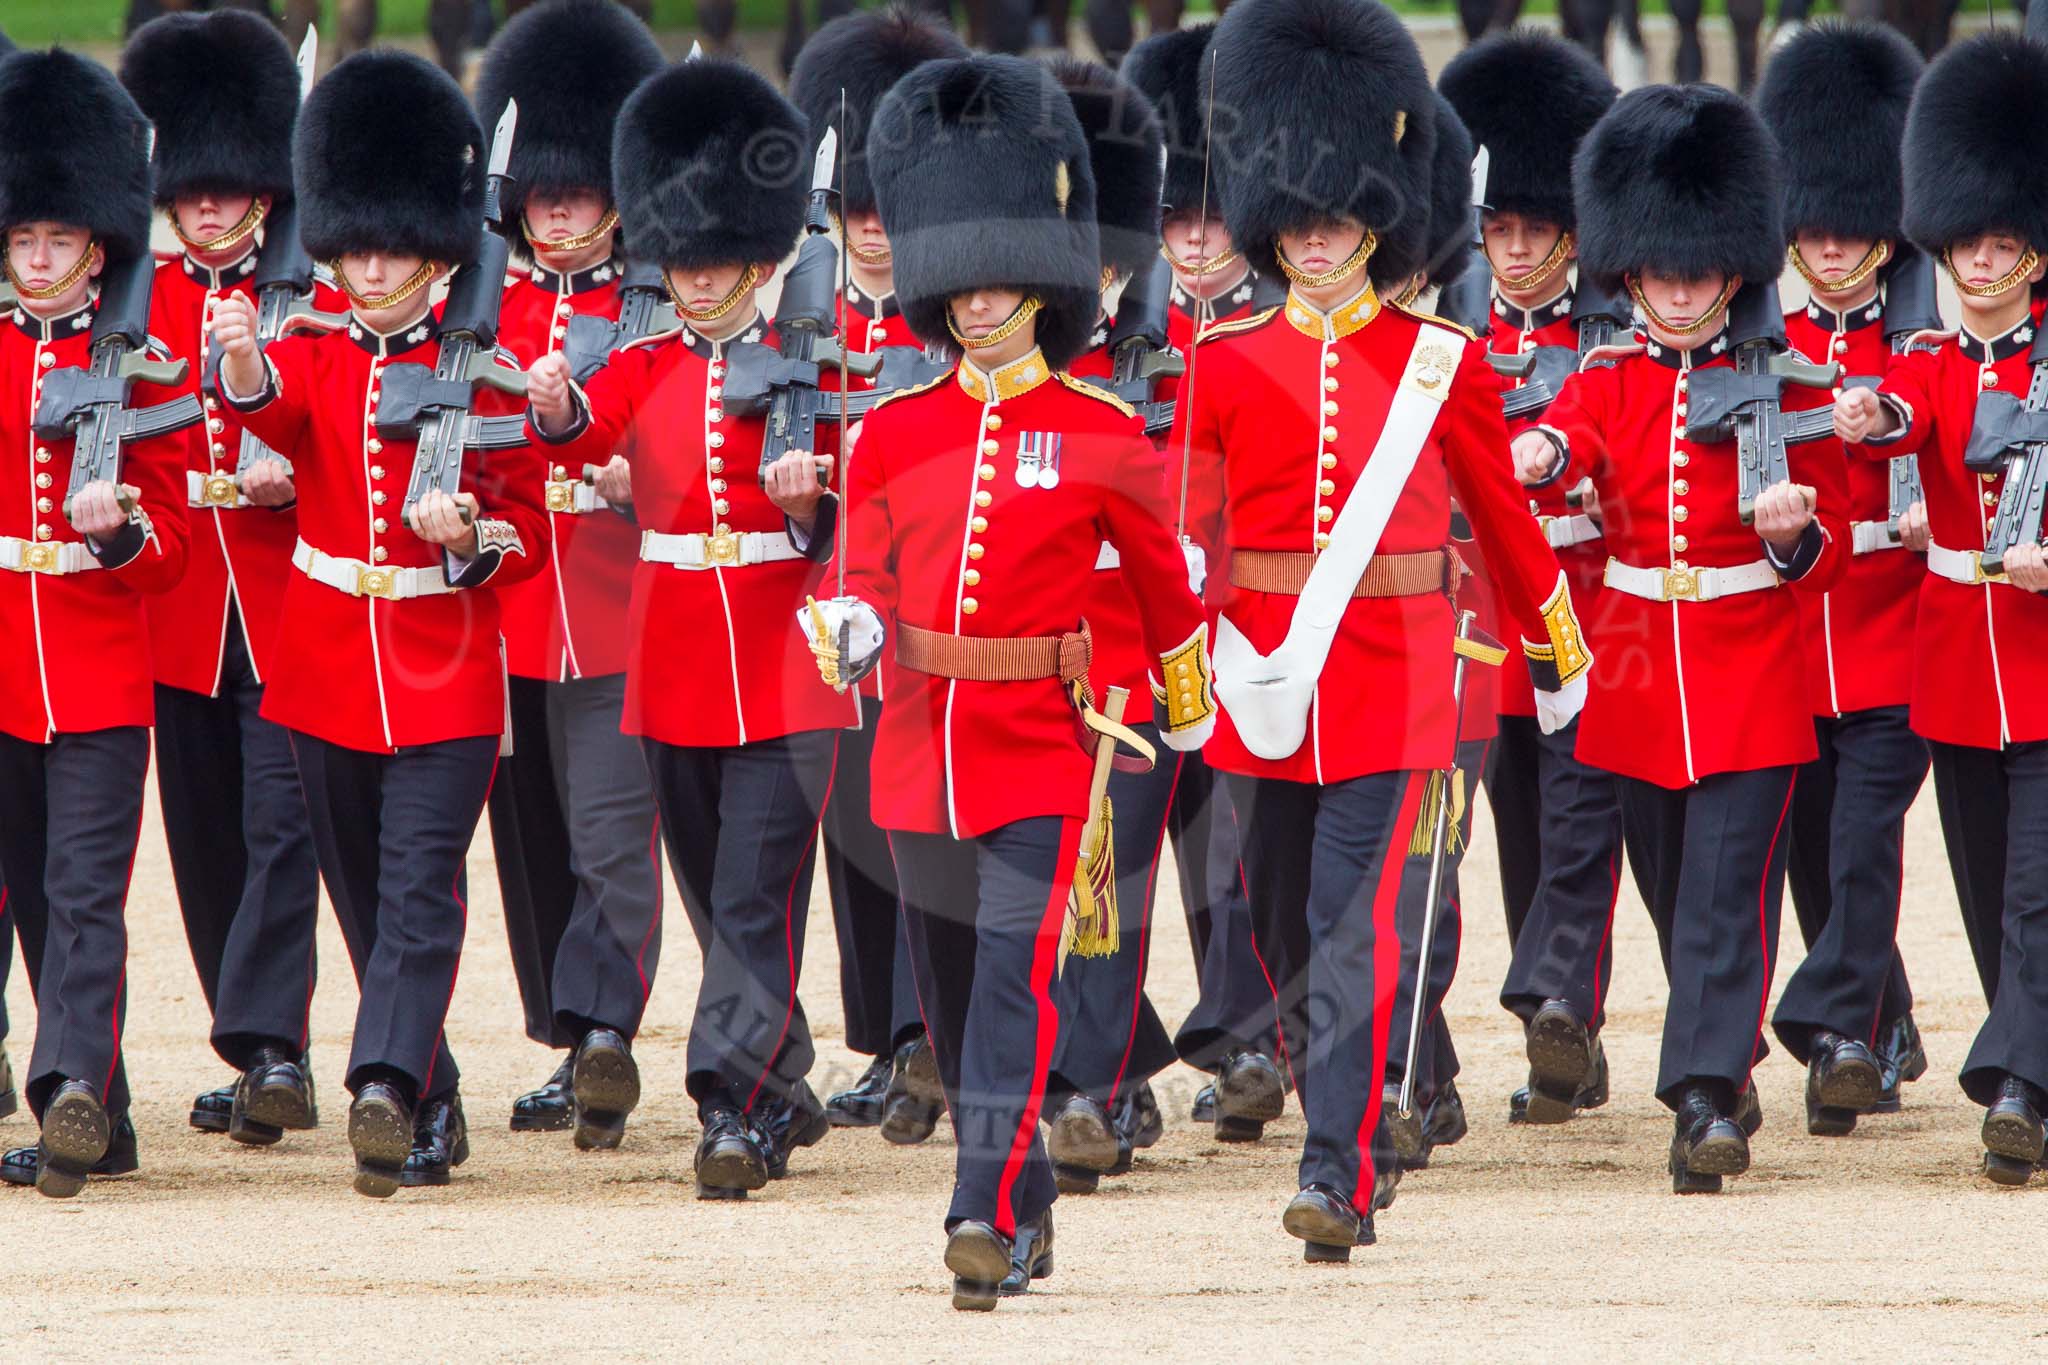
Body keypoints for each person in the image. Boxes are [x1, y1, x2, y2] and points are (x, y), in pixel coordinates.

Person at [804, 51, 1213, 1308]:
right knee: (947, 989)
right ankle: (1023, 1204)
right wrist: (848, 627)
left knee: (1012, 982)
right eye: (959, 285)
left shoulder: (1101, 432)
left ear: (1040, 285)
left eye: (999, 283)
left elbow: (1159, 589)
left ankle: (979, 1200)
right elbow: (852, 569)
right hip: (919, 742)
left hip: (1047, 740)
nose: (977, 305)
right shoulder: (893, 425)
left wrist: (1172, 707)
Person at [1184, 0, 1589, 1259]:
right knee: (1274, 919)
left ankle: (1336, 1169)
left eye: (1338, 218)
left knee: (1347, 926)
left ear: (1378, 222)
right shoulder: (1223, 355)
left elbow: (1504, 522)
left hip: (1392, 675)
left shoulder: (1440, 359)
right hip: (1261, 673)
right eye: (1297, 219)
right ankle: (1339, 1110)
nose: (1315, 239)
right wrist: (1166, 652)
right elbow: (1185, 535)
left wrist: (1551, 645)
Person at [212, 48, 549, 1197]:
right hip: (323, 669)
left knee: (416, 890)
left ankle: (383, 1084)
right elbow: (272, 405)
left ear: (433, 250)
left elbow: (523, 539)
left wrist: (464, 539)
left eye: (388, 249)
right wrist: (244, 369)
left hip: (446, 673)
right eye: (352, 246)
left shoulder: (490, 376)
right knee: (361, 901)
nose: (365, 267)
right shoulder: (311, 350)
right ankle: (431, 1091)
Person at [1516, 82, 1849, 1193]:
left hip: (1749, 668)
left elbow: (1835, 546)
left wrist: (1795, 536)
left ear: (1730, 274)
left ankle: (1702, 1097)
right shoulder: (1605, 378)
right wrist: (1534, 460)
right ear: (1628, 273)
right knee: (1670, 894)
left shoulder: (1785, 384)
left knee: (1720, 895)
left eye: (1695, 274)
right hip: (1634, 677)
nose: (1675, 291)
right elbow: (1565, 442)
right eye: (1657, 274)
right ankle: (1727, 1062)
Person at [525, 56, 846, 1199]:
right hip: (672, 658)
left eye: (715, 261)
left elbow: (871, 508)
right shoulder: (648, 360)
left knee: (755, 892)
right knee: (718, 895)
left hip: (781, 662)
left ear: (758, 260)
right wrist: (556, 401)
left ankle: (730, 1103)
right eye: (683, 259)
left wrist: (818, 503)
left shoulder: (816, 361)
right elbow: (576, 431)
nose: (696, 278)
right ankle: (783, 1079)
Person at [1832, 28, 2048, 1187]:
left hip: (2045, 656)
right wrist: (1867, 419)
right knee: (1980, 887)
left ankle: (2019, 1083)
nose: (1975, 260)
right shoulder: (1929, 356)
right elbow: (1904, 414)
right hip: (1960, 664)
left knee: (2034, 890)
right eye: (1963, 241)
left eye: (1999, 241)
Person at [119, 5, 327, 1153]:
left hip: (287, 588)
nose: (205, 203)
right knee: (204, 838)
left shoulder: (308, 285)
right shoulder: (134, 297)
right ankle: (253, 1045)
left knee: (283, 818)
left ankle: (274, 1041)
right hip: (178, 598)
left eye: (226, 184)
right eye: (189, 186)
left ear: (261, 184)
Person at [472, 0, 667, 1151]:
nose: (556, 205)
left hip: (611, 601)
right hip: (502, 606)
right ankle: (567, 1036)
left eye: (579, 187)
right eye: (543, 187)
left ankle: (608, 1029)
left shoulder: (648, 310)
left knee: (606, 829)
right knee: (531, 837)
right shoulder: (486, 305)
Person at [0, 47, 193, 1199]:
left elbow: (167, 556)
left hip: (102, 674)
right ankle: (104, 1115)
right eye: (22, 239)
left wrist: (118, 531)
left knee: (84, 894)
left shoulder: (142, 361)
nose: (36, 259)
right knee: (29, 894)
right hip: (4, 673)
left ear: (94, 249)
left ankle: (67, 1086)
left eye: (56, 242)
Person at [1438, 25, 1625, 1129]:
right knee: (1514, 817)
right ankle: (1557, 1034)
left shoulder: (1606, 335)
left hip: (1582, 604)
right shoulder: (1451, 327)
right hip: (1478, 611)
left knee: (1577, 815)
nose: (1511, 251)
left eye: (1534, 231)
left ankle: (1564, 997)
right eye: (1496, 228)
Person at [787, 3, 967, 1140]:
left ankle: (936, 1034)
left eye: (885, 209)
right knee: (855, 828)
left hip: (942, 608)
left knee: (930, 826)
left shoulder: (955, 323)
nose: (868, 232)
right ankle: (895, 1038)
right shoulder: (805, 322)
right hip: (837, 606)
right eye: (853, 208)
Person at [1755, 20, 1933, 1138]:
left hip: (1899, 629)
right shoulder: (1756, 342)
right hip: (1791, 638)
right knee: (1817, 856)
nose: (1826, 250)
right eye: (1809, 231)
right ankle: (1887, 1022)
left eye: (1848, 231)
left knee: (1864, 833)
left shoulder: (1922, 343)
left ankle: (1835, 1031)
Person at [1121, 18, 1288, 1140]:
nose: (1189, 240)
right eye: (1173, 217)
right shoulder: (1119, 317)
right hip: (1134, 623)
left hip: (1241, 618)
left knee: (1231, 855)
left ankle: (1245, 1041)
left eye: (1211, 217)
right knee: (1121, 851)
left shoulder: (1280, 323)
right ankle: (1113, 1063)